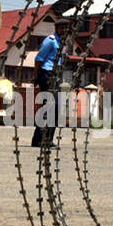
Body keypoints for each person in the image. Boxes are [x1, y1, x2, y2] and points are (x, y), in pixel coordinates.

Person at [31, 18, 68, 148]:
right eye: (61, 27)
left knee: (50, 108)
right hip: (47, 74)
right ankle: (45, 139)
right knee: (53, 108)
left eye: (66, 28)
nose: (64, 30)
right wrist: (36, 76)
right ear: (56, 28)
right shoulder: (50, 41)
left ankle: (38, 139)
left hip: (55, 75)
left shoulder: (62, 43)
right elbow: (39, 59)